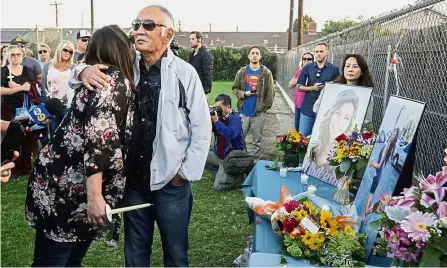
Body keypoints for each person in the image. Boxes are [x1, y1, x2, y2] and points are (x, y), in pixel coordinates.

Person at [70, 5, 211, 266]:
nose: (139, 30)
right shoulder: (123, 66)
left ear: (168, 34)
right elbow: (80, 70)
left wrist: (183, 175)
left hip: (171, 183)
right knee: (134, 257)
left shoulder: (185, 73)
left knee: (177, 255)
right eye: (136, 24)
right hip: (133, 183)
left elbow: (202, 128)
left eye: (148, 25)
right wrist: (81, 70)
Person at [25, 25, 136, 267]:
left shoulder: (98, 76)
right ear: (119, 49)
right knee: (54, 261)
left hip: (66, 185)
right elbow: (98, 140)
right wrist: (95, 197)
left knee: (70, 259)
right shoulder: (111, 80)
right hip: (69, 191)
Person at [306, 89, 359, 186]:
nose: (340, 122)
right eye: (338, 113)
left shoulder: (345, 157)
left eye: (346, 118)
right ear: (331, 112)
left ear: (349, 123)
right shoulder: (316, 144)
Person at [0, 45, 36, 178]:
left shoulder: (27, 70)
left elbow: (34, 88)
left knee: (27, 138)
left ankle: (26, 169)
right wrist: (18, 89)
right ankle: (12, 169)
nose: (15, 57)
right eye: (12, 55)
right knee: (11, 140)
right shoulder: (3, 71)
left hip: (26, 110)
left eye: (18, 54)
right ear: (8, 56)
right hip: (8, 109)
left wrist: (20, 87)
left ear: (22, 56)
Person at [232, 46, 274, 158]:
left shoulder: (266, 73)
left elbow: (270, 93)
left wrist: (263, 109)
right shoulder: (242, 72)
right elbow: (234, 89)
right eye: (252, 53)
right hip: (244, 112)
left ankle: (254, 162)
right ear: (249, 56)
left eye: (257, 53)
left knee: (257, 141)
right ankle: (242, 158)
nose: (254, 55)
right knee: (239, 137)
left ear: (260, 56)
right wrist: (244, 94)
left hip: (258, 113)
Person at [314, 54, 374, 129]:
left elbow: (367, 122)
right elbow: (316, 108)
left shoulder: (366, 95)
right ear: (343, 69)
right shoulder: (330, 88)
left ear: (362, 71)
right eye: (347, 66)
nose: (350, 69)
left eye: (355, 66)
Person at [297, 42, 340, 136]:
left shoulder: (334, 69)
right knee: (302, 138)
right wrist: (311, 88)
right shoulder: (308, 68)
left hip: (326, 112)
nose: (318, 54)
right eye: (316, 51)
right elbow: (299, 86)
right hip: (307, 109)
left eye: (321, 51)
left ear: (327, 52)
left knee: (321, 139)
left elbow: (338, 89)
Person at [205, 94, 245, 190]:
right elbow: (208, 130)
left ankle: (237, 178)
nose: (217, 110)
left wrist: (217, 122)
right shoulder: (219, 117)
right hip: (218, 155)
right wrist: (208, 119)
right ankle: (223, 174)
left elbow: (231, 134)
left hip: (230, 158)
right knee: (200, 156)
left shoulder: (234, 118)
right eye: (216, 107)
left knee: (218, 187)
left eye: (219, 107)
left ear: (228, 107)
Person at [363, 127, 400, 220]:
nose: (391, 135)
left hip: (377, 174)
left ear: (394, 138)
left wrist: (372, 164)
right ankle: (369, 210)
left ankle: (367, 213)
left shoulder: (387, 146)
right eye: (392, 133)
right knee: (371, 193)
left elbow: (379, 165)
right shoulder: (389, 146)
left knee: (371, 194)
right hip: (378, 174)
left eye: (393, 135)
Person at [41, 40, 75, 137]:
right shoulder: (48, 65)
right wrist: (47, 102)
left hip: (67, 106)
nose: (68, 53)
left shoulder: (73, 67)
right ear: (59, 50)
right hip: (52, 105)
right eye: (65, 50)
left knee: (67, 133)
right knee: (53, 133)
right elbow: (44, 85)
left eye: (71, 52)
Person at [288, 52, 314, 131]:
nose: (306, 61)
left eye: (309, 59)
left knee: (303, 131)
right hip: (298, 104)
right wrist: (301, 74)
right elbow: (290, 85)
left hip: (308, 106)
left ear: (313, 61)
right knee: (296, 127)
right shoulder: (299, 71)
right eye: (304, 59)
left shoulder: (315, 73)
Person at [188, 31, 214, 97]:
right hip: (191, 89)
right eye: (190, 39)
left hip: (200, 91)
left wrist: (206, 92)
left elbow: (208, 75)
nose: (190, 41)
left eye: (193, 39)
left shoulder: (206, 55)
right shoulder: (192, 55)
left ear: (199, 39)